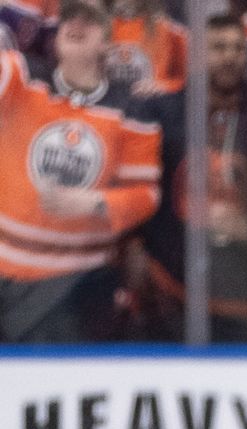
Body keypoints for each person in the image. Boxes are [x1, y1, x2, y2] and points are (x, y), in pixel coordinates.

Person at [0, 1, 161, 343]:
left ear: (107, 42)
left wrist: (94, 203)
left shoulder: (131, 109)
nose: (75, 24)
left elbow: (146, 196)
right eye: (69, 18)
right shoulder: (23, 77)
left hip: (72, 286)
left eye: (89, 21)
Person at [128, 13, 247, 341]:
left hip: (246, 299)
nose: (230, 56)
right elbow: (138, 189)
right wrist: (135, 247)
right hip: (169, 291)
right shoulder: (162, 111)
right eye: (218, 47)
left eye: (237, 48)